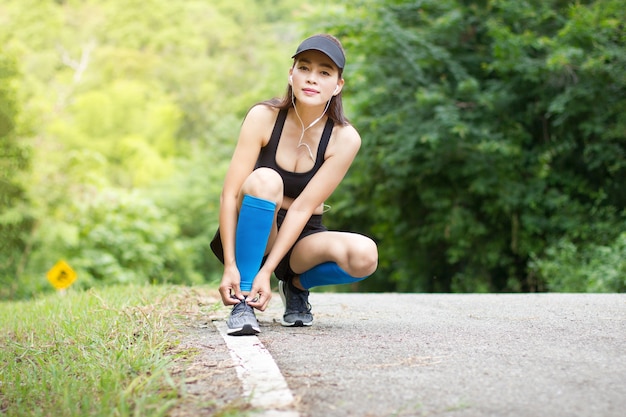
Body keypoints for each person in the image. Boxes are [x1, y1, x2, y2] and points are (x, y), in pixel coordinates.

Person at [211, 34, 378, 336]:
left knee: (365, 255)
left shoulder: (344, 138)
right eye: (304, 68)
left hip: (303, 234)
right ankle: (244, 299)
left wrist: (270, 272)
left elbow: (302, 208)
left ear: (338, 85)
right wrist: (230, 265)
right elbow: (230, 194)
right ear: (291, 74)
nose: (312, 79)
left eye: (324, 72)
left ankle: (296, 285)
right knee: (265, 179)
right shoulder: (263, 117)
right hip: (255, 225)